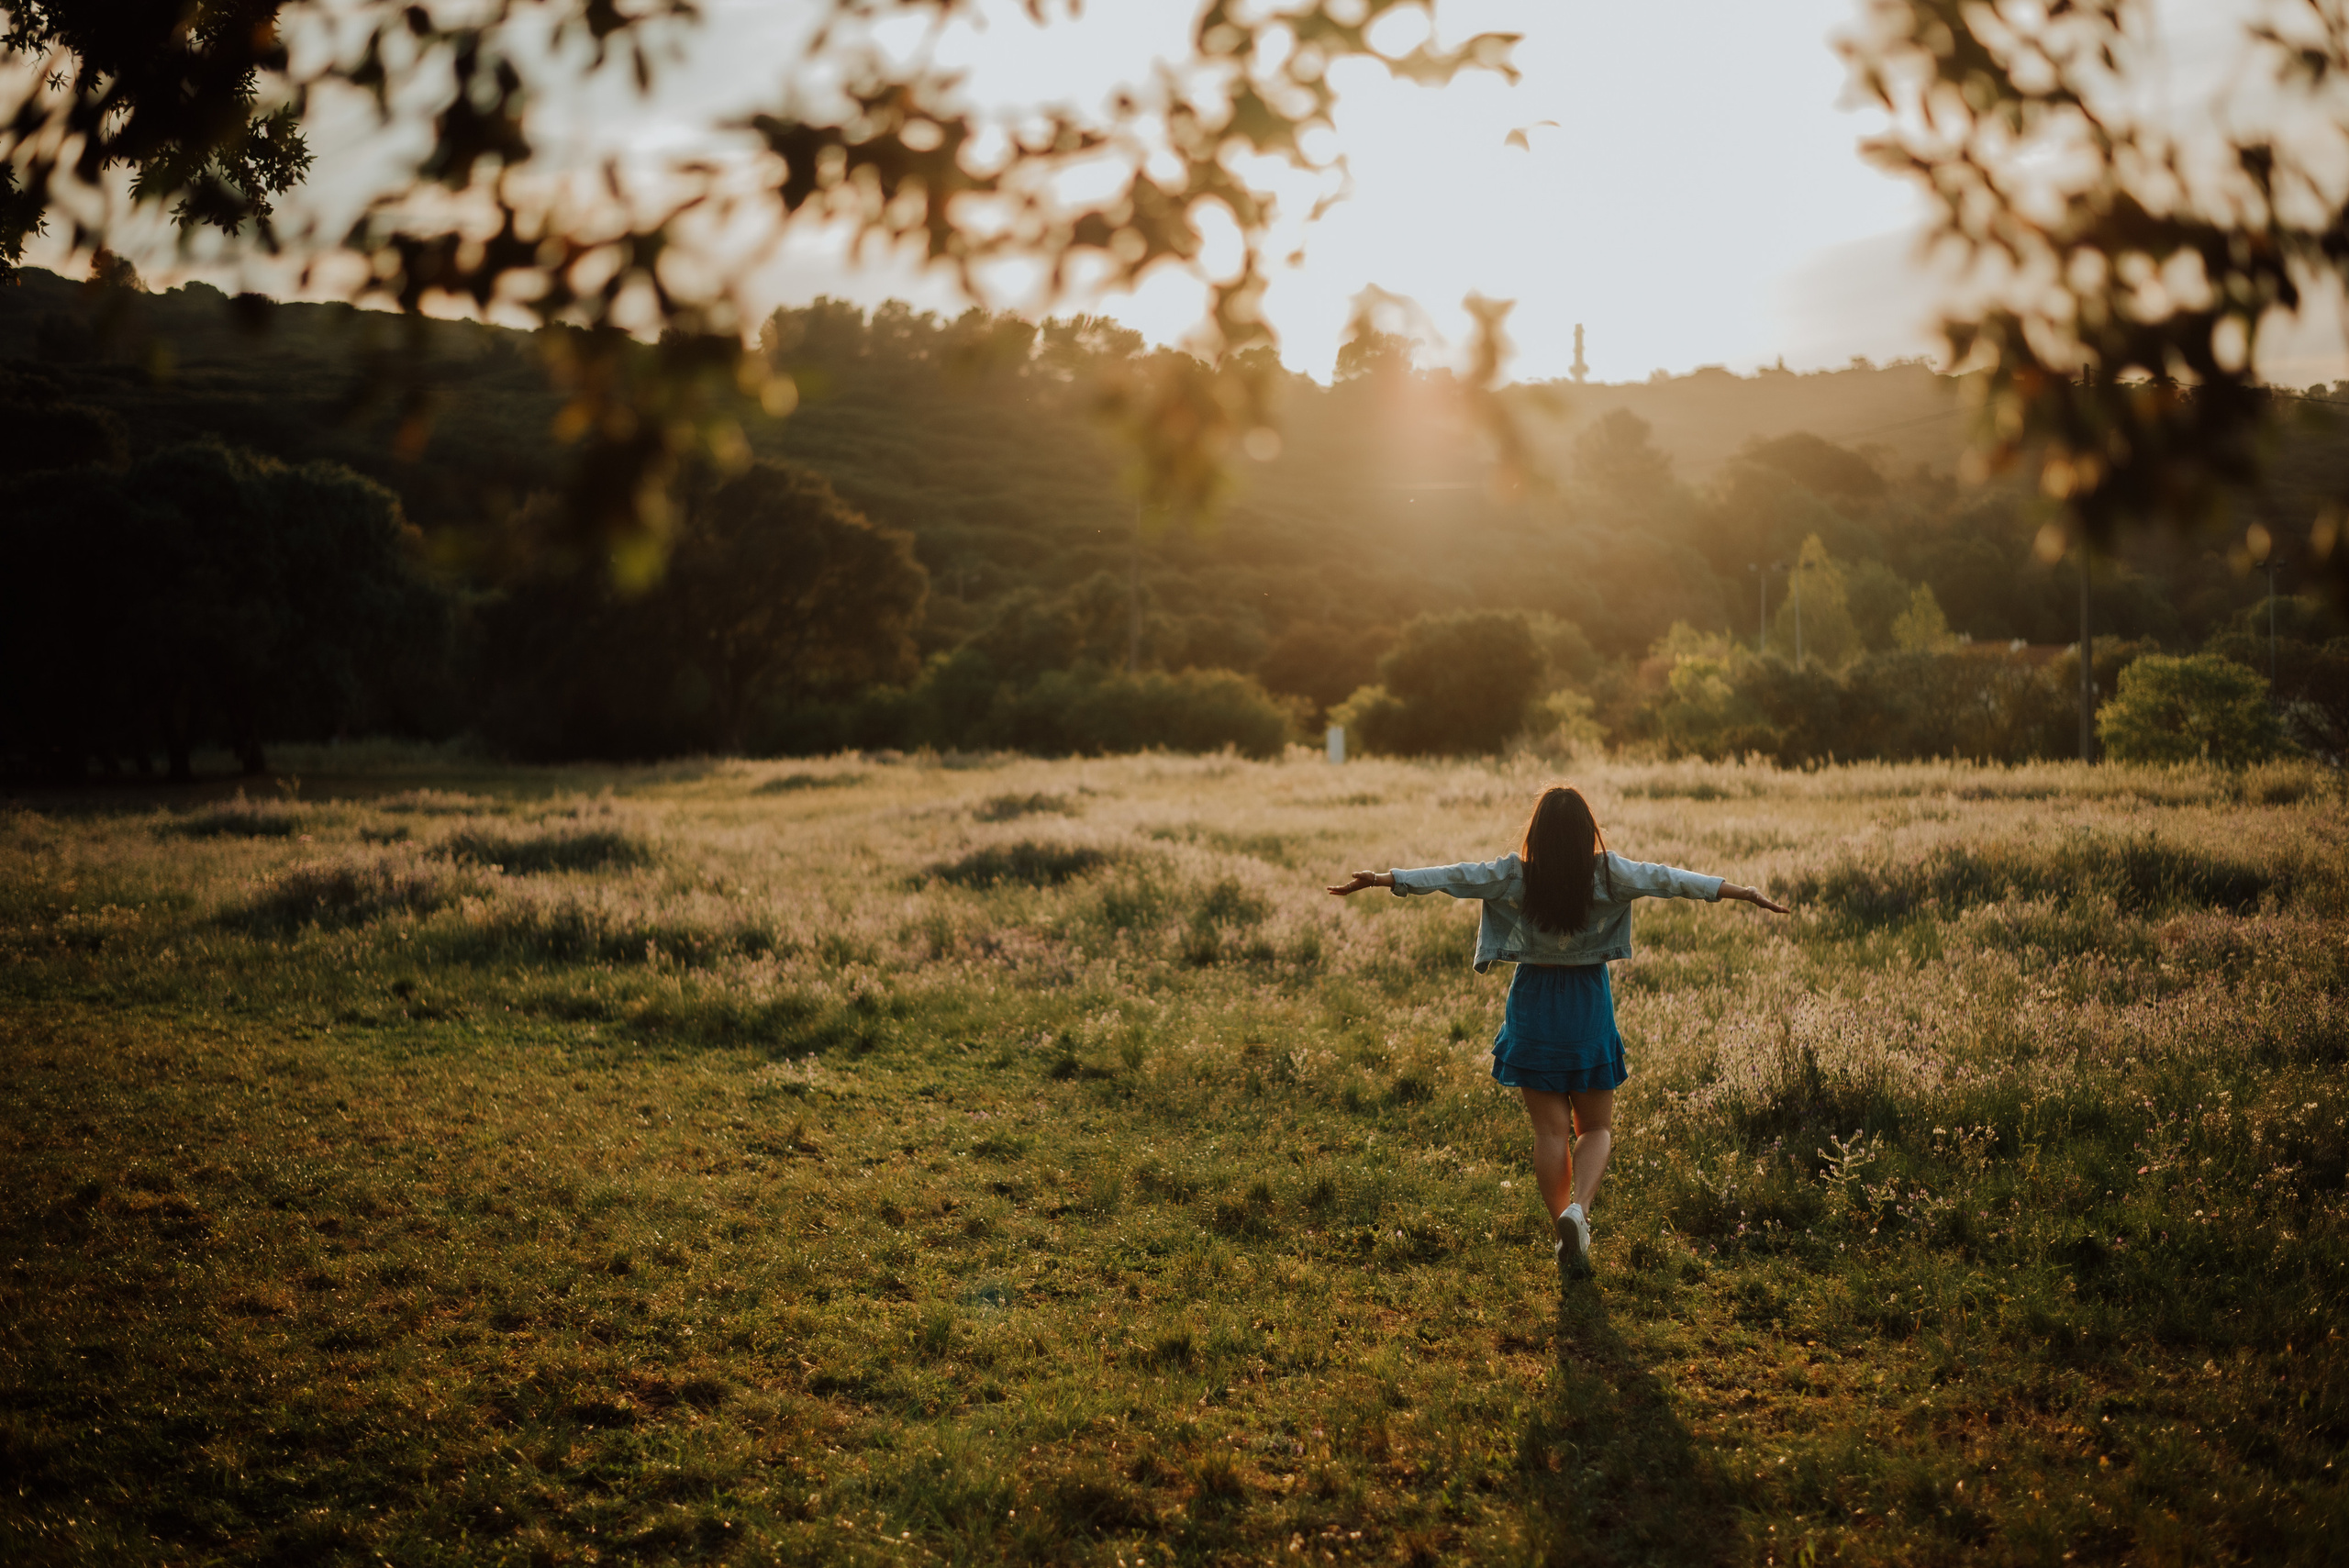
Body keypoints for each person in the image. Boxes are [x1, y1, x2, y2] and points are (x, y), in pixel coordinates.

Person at [1326, 784, 1788, 1284]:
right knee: (1595, 1129)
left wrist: (1383, 879)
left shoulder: (1515, 874)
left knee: (1550, 1132)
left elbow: (1453, 877)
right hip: (1588, 1003)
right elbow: (1668, 879)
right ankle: (1579, 1215)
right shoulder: (1609, 875)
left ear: (1538, 831)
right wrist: (1740, 891)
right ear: (1587, 832)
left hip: (1534, 1004)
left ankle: (1561, 1228)